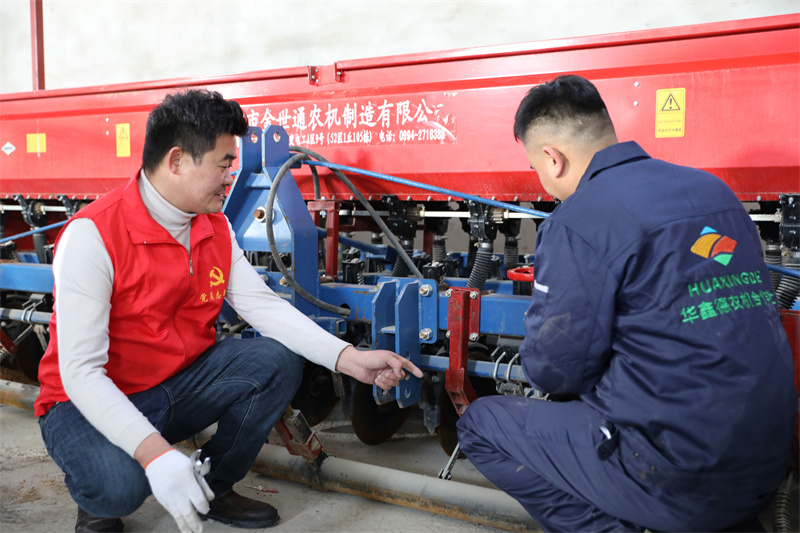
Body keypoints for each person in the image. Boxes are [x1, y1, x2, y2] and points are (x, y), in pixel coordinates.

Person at [34, 89, 423, 533]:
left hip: (174, 385)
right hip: (85, 400)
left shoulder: (212, 226)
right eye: (223, 165)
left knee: (274, 361)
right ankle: (97, 497)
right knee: (122, 488)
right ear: (177, 160)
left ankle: (212, 487)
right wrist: (155, 454)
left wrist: (350, 359)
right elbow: (81, 373)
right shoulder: (93, 235)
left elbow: (261, 306)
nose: (229, 178)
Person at [456, 75, 797, 532]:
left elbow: (555, 371)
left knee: (481, 424)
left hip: (680, 476)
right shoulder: (716, 193)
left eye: (537, 169)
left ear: (553, 158)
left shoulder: (579, 219)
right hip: (770, 460)